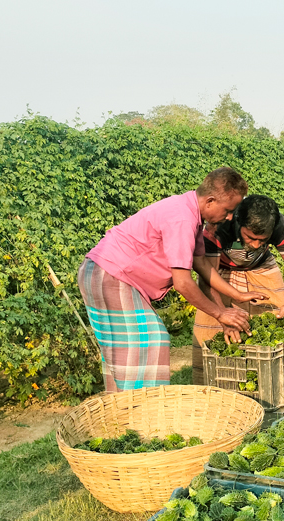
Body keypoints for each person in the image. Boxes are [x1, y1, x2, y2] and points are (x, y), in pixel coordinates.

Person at [78, 167, 267, 392]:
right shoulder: (182, 219)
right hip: (109, 274)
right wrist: (220, 314)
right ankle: (144, 412)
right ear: (210, 201)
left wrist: (236, 295)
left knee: (123, 351)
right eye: (227, 210)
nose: (228, 217)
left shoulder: (191, 214)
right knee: (151, 341)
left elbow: (202, 265)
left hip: (107, 274)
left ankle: (124, 414)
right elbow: (183, 283)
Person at [191, 195, 284, 385]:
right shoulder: (218, 226)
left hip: (261, 266)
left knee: (280, 320)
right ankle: (209, 386)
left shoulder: (279, 225)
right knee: (210, 329)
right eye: (250, 238)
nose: (256, 245)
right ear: (238, 222)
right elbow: (208, 278)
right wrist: (221, 314)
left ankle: (281, 381)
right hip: (219, 270)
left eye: (262, 240)